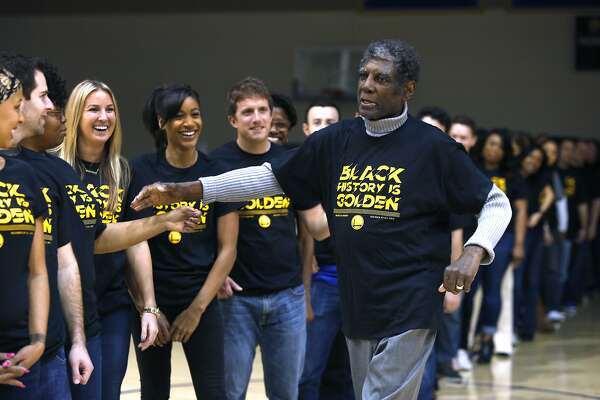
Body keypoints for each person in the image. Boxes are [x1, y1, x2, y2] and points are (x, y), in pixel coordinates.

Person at [131, 39, 512, 399]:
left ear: (407, 89)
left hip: (411, 303)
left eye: (380, 79)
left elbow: (496, 203)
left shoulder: (432, 146)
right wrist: (188, 189)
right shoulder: (336, 141)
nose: (366, 86)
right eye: (363, 75)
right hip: (359, 303)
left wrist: (474, 251)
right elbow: (267, 178)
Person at [127, 84, 239, 399]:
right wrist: (147, 307)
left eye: (195, 114)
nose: (189, 123)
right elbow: (131, 242)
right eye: (178, 116)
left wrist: (196, 310)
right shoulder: (139, 170)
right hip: (151, 299)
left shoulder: (216, 173)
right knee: (154, 391)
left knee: (214, 392)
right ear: (161, 122)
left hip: (200, 299)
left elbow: (228, 248)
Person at [59, 79, 162, 399]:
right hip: (66, 302)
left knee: (108, 391)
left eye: (110, 109)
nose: (104, 117)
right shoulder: (56, 168)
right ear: (76, 115)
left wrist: (149, 306)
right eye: (93, 110)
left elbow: (136, 237)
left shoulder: (122, 170)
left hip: (113, 302)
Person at [210, 78, 307, 399]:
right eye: (247, 111)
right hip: (235, 300)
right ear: (233, 120)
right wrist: (216, 274)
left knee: (285, 394)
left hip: (287, 297)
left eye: (262, 110)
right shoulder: (217, 164)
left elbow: (309, 231)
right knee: (230, 392)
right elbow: (204, 229)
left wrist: (305, 290)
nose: (257, 118)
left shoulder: (290, 160)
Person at [7, 54, 92, 400]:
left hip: (48, 353)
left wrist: (69, 341)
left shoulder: (34, 172)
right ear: (16, 102)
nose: (50, 107)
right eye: (42, 97)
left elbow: (53, 264)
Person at [298, 99, 355, 400]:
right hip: (320, 284)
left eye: (330, 122)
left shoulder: (355, 168)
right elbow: (314, 231)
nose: (323, 128)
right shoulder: (300, 169)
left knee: (346, 373)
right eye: (317, 122)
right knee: (309, 371)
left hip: (357, 284)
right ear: (306, 129)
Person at [0, 65, 50, 399]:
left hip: (21, 358)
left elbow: (37, 271)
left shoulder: (25, 177)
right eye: (16, 108)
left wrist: (38, 340)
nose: (21, 119)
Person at [467, 129, 527, 363]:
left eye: (499, 146)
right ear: (483, 146)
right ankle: (467, 341)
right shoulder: (472, 169)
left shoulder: (512, 175)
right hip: (473, 236)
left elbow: (521, 210)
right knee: (471, 292)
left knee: (493, 291)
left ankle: (487, 337)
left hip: (504, 238)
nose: (494, 149)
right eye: (491, 144)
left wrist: (520, 243)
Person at [513, 145, 554, 341]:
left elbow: (551, 195)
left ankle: (528, 328)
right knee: (516, 282)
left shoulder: (541, 178)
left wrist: (539, 214)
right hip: (514, 232)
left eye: (539, 159)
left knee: (532, 281)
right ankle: (513, 326)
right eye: (531, 157)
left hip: (534, 233)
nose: (534, 162)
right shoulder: (513, 175)